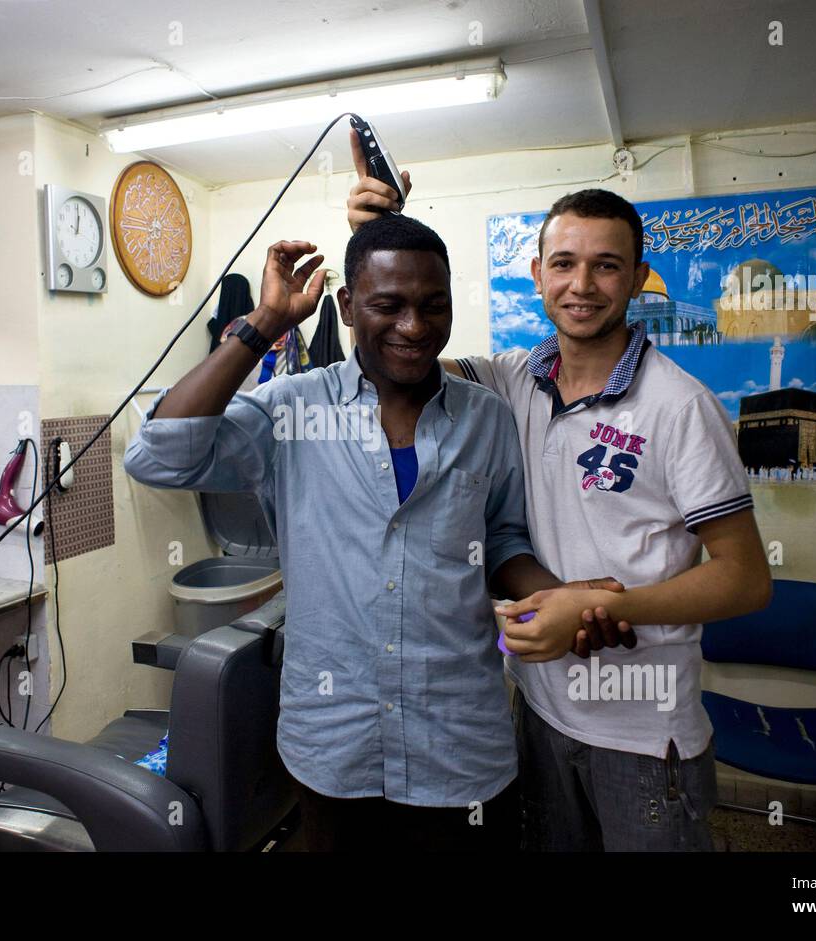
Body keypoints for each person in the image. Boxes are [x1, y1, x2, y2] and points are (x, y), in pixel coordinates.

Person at [124, 217, 620, 852]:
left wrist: (561, 600)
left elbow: (501, 540)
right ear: (347, 307)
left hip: (459, 744)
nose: (414, 327)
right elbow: (158, 457)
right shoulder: (293, 408)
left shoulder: (486, 418)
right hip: (334, 742)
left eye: (432, 306)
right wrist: (263, 325)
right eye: (388, 305)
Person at [347, 142, 772, 851]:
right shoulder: (514, 380)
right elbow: (394, 346)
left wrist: (603, 603)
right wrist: (374, 235)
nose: (583, 284)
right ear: (538, 273)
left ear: (638, 279)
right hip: (539, 713)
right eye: (565, 263)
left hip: (644, 732)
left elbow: (746, 577)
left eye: (607, 265)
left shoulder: (679, 405)